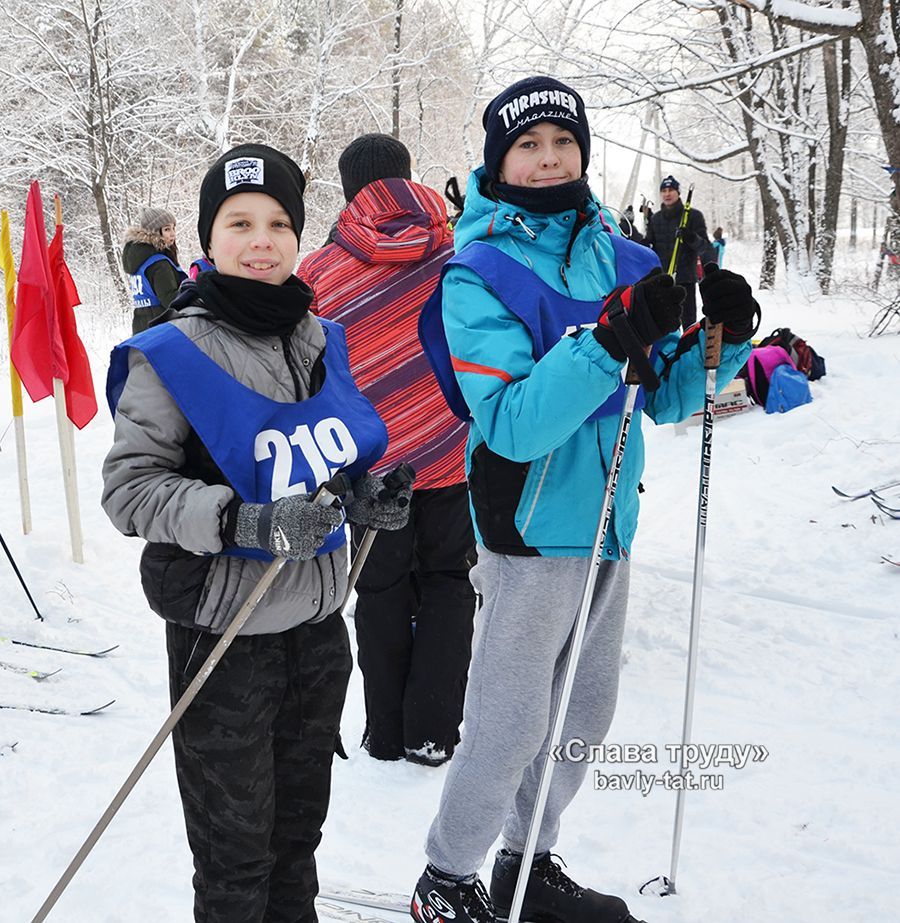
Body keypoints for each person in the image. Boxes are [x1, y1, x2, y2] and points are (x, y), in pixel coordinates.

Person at [411, 77, 757, 923]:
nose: (546, 158)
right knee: (511, 719)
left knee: (584, 712)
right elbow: (515, 421)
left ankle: (525, 865)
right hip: (528, 522)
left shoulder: (620, 257)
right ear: (498, 160)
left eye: (561, 142)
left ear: (584, 152)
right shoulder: (477, 272)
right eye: (527, 145)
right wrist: (609, 337)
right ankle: (446, 878)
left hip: (609, 518)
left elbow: (669, 397)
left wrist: (728, 333)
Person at [102, 144, 404, 922]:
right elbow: (130, 490)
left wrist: (364, 497)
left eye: (277, 222)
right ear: (209, 238)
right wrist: (244, 521)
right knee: (236, 857)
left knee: (298, 838)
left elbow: (320, 457)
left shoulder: (318, 338)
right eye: (239, 222)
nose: (260, 239)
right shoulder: (174, 350)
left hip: (316, 631)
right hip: (225, 634)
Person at [298, 133, 475, 766]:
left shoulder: (318, 270)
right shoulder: (457, 251)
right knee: (451, 583)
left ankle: (387, 729)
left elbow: (304, 369)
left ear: (348, 188)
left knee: (380, 590)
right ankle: (435, 730)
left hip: (368, 461)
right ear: (406, 177)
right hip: (453, 448)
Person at [643, 175, 717, 328]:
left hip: (685, 280)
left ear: (678, 192)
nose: (667, 194)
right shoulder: (656, 219)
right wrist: (643, 245)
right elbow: (650, 246)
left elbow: (705, 248)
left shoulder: (693, 216)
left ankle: (686, 350)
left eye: (671, 190)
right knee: (660, 322)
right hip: (661, 279)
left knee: (687, 323)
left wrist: (691, 238)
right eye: (663, 190)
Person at [122, 206, 185, 334]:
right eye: (167, 229)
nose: (173, 234)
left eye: (173, 228)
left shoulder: (139, 260)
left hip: (141, 328)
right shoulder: (159, 263)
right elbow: (171, 300)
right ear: (155, 231)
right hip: (162, 328)